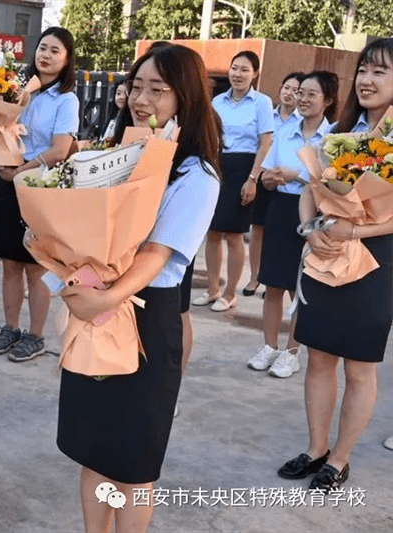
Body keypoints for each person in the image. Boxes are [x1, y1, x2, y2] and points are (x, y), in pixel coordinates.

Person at [57, 44, 220, 533]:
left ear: (185, 98)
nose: (141, 99)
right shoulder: (116, 156)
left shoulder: (196, 174)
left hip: (145, 318)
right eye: (137, 87)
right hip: (97, 306)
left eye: (159, 89)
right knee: (94, 454)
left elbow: (160, 253)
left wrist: (105, 298)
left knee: (132, 464)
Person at [279, 38, 393, 492]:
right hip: (325, 249)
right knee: (319, 356)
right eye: (364, 69)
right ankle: (316, 447)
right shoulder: (340, 132)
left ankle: (340, 458)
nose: (366, 79)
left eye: (380, 71)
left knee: (359, 366)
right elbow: (310, 188)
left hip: (376, 258)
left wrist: (354, 233)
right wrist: (313, 230)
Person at [0, 27, 79, 362]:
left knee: (36, 265)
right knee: (9, 261)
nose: (46, 54)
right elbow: (3, 128)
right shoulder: (15, 91)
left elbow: (60, 149)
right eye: (42, 47)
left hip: (39, 185)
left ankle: (36, 335)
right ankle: (10, 327)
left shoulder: (66, 99)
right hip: (8, 180)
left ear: (67, 59)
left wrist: (20, 171)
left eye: (55, 50)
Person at [247, 71, 337, 378]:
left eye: (312, 94)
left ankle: (291, 351)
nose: (304, 99)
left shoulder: (335, 137)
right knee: (272, 282)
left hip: (315, 214)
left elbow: (331, 183)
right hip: (281, 207)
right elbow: (270, 175)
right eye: (301, 93)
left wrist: (294, 175)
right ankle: (269, 346)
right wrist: (270, 179)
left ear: (328, 100)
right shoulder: (284, 131)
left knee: (300, 287)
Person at [194, 51, 273, 312]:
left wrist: (253, 178)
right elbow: (212, 136)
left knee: (235, 235)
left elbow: (266, 143)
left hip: (245, 168)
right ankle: (213, 289)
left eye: (244, 70)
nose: (237, 74)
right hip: (219, 165)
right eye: (234, 68)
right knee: (213, 232)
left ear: (255, 73)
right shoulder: (218, 101)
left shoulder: (261, 103)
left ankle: (230, 294)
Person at [244, 71, 305, 297]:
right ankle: (254, 277)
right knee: (257, 229)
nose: (289, 93)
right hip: (264, 176)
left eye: (296, 90)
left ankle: (274, 279)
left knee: (277, 233)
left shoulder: (302, 121)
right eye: (286, 88)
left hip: (288, 184)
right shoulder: (267, 115)